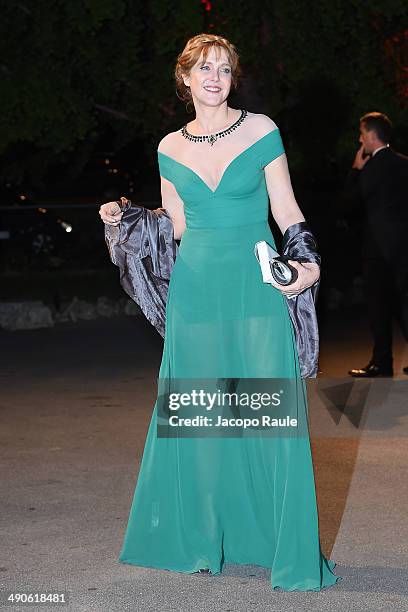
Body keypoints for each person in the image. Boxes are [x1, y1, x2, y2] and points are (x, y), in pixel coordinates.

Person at [99, 33, 341, 591]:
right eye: (204, 68)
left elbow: (285, 206)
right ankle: (203, 539)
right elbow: (177, 224)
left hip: (255, 286)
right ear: (184, 78)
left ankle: (280, 544)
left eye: (225, 69)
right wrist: (128, 221)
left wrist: (306, 261)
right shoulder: (168, 146)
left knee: (268, 412)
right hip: (197, 290)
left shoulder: (261, 130)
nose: (215, 77)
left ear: (234, 79)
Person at [345, 112, 408, 378]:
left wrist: (355, 171)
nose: (360, 140)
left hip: (377, 250)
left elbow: (348, 205)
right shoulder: (405, 164)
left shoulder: (369, 169)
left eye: (361, 134)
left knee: (378, 307)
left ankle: (382, 363)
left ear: (370, 136)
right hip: (404, 246)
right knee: (405, 303)